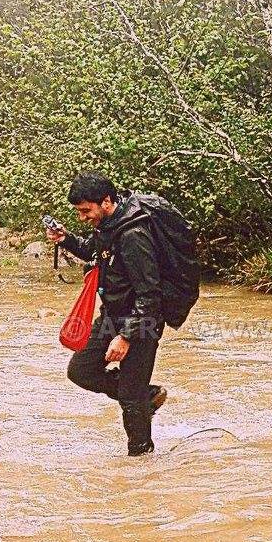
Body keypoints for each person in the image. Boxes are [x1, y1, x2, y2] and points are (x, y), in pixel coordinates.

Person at [46, 172, 168, 455]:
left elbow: (151, 295)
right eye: (78, 212)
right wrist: (67, 239)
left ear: (106, 201)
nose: (82, 217)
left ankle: (141, 463)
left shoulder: (134, 236)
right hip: (112, 316)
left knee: (130, 398)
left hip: (142, 322)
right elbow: (93, 251)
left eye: (86, 210)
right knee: (81, 370)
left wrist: (126, 336)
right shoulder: (109, 225)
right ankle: (144, 396)